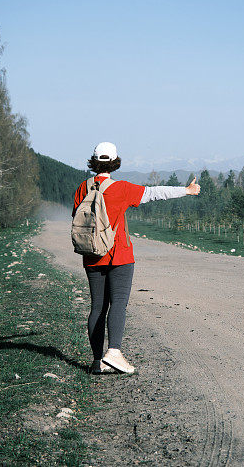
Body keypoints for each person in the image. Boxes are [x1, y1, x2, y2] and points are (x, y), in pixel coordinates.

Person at [72, 141, 201, 374]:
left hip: (91, 255)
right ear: (114, 162)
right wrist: (187, 190)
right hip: (118, 255)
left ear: (94, 161)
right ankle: (114, 352)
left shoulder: (84, 187)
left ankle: (97, 361)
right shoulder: (121, 189)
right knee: (118, 302)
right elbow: (154, 193)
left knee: (97, 307)